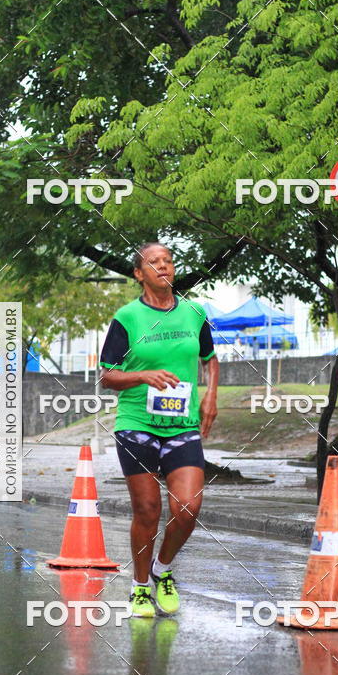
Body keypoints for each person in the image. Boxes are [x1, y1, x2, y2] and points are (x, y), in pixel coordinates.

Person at [100, 242, 219, 618]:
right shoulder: (127, 318)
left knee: (188, 508)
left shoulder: (194, 313)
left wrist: (211, 396)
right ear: (139, 274)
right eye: (154, 262)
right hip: (137, 425)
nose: (164, 266)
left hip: (182, 424)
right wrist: (143, 375)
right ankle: (139, 587)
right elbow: (108, 376)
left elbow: (210, 359)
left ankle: (161, 568)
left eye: (168, 260)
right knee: (148, 510)